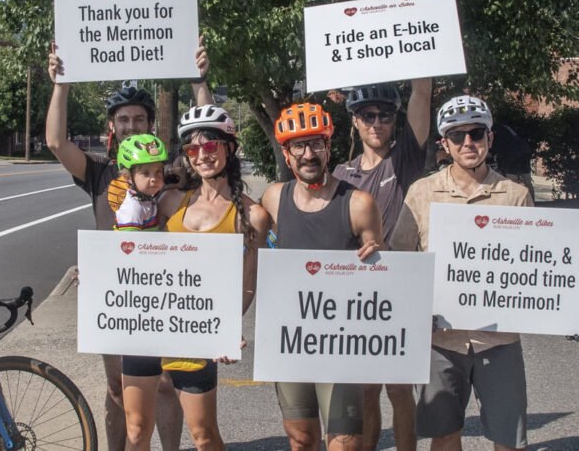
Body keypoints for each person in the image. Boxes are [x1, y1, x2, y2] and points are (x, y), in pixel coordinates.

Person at [45, 39, 213, 451]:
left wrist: (200, 82)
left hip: (167, 291)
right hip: (116, 294)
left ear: (151, 125)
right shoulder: (99, 172)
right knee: (118, 388)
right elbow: (55, 143)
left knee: (167, 386)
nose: (132, 125)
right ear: (113, 126)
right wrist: (60, 83)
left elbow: (207, 137)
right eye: (123, 119)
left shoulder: (170, 169)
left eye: (139, 118)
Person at [107, 105, 271, 451]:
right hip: (147, 326)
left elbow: (248, 282)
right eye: (193, 149)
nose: (202, 156)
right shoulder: (169, 201)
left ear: (229, 147)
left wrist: (225, 330)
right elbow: (130, 253)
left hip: (195, 334)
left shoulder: (251, 215)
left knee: (204, 435)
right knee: (136, 430)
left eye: (210, 146)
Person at [389, 95, 535, 451]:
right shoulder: (422, 193)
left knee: (508, 437)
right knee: (444, 435)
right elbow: (401, 258)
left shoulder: (515, 196)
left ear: (490, 138)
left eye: (476, 133)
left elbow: (535, 266)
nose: (468, 142)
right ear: (445, 144)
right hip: (441, 340)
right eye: (458, 136)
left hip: (499, 340)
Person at [261, 103, 383, 451]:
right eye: (298, 146)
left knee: (344, 443)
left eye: (316, 143)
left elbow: (384, 276)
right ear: (286, 154)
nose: (308, 154)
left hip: (340, 341)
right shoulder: (273, 198)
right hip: (292, 339)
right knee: (301, 440)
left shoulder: (358, 203)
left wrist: (375, 258)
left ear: (329, 147)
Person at [331, 80, 429, 451]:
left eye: (384, 116)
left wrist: (425, 66)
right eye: (367, 116)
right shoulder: (341, 174)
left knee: (400, 389)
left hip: (400, 285)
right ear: (355, 121)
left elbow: (422, 98)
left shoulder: (404, 159)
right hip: (357, 291)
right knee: (367, 389)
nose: (376, 123)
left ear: (394, 120)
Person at [113, 135, 169, 231]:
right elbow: (129, 243)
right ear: (128, 177)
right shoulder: (133, 210)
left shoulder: (145, 200)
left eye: (158, 172)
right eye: (145, 173)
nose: (153, 178)